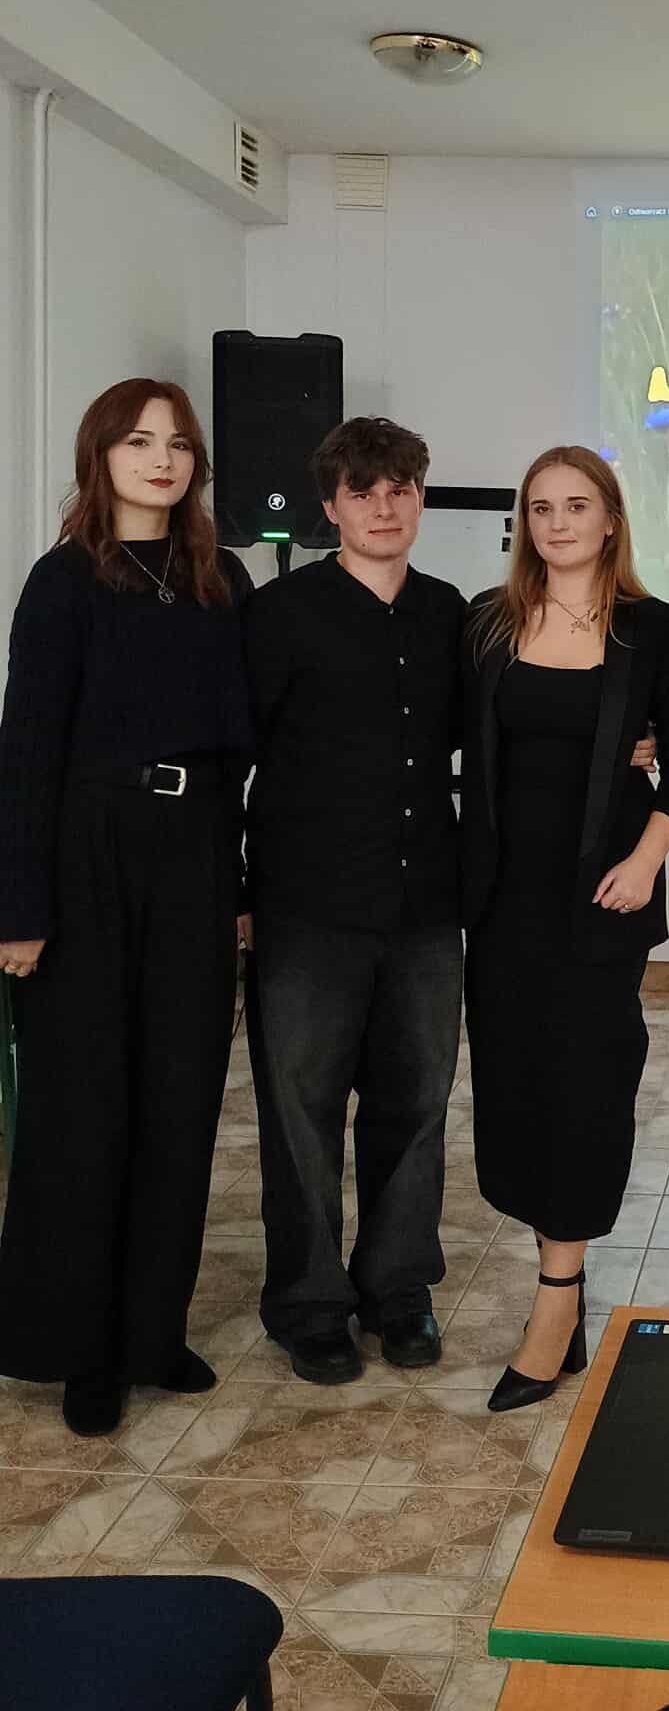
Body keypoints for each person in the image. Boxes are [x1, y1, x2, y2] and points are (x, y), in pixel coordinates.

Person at [243, 418, 662, 1385]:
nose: (382, 507)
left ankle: (398, 1291)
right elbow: (238, 758)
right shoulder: (277, 615)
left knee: (416, 1106)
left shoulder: (460, 619)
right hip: (308, 904)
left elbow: (529, 722)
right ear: (331, 507)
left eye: (400, 490)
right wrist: (238, 892)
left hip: (430, 905)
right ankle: (310, 1305)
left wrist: (626, 743)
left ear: (421, 499)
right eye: (361, 492)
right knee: (301, 1113)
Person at [0, 379, 253, 1436]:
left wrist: (238, 887)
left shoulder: (221, 578)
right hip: (87, 853)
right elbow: (26, 750)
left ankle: (154, 1332)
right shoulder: (63, 580)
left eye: (180, 443)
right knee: (84, 1106)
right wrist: (20, 907)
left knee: (179, 1099)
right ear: (99, 454)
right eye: (141, 440)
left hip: (194, 855)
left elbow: (244, 748)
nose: (163, 458)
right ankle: (83, 1350)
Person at [461, 445, 669, 1412]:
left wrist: (646, 860)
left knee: (586, 1090)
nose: (557, 523)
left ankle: (555, 1301)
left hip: (603, 900)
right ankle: (559, 1283)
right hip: (502, 901)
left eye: (576, 505)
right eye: (540, 508)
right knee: (518, 1090)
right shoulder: (488, 622)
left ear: (611, 520)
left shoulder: (654, 628)